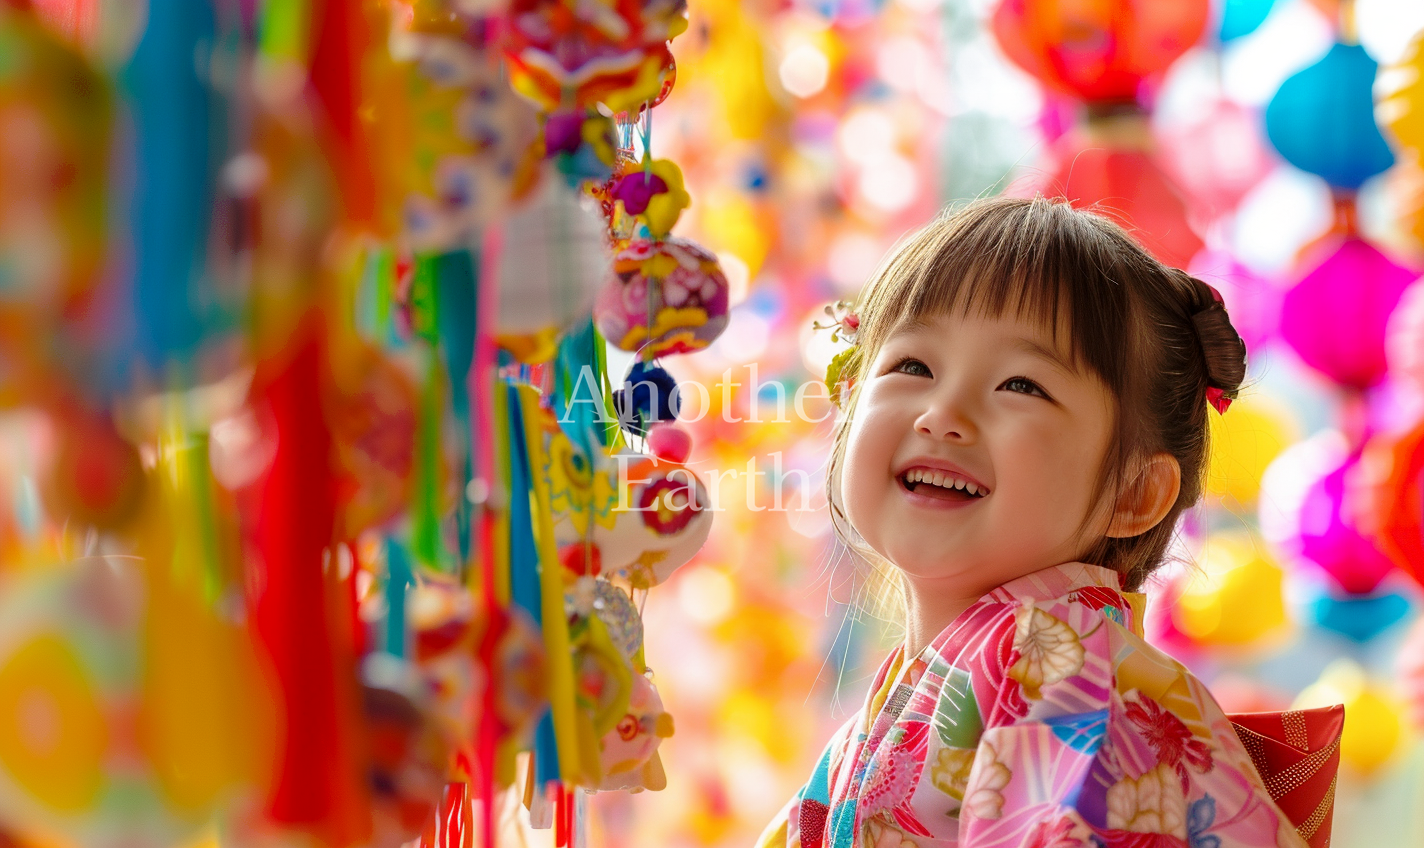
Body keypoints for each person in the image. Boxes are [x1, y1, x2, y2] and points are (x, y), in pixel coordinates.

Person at [757, 196, 1309, 848]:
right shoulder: (960, 680)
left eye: (1021, 384)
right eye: (913, 366)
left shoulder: (1051, 663)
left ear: (1132, 493)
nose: (942, 412)